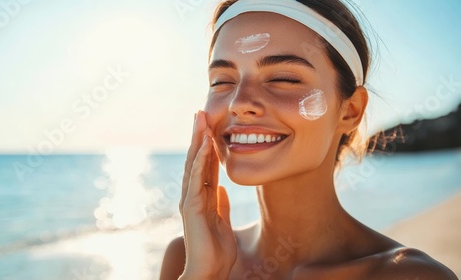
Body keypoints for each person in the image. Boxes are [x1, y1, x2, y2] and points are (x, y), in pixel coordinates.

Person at [160, 0, 458, 279]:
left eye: (284, 79)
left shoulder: (408, 275)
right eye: (221, 81)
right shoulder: (186, 258)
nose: (239, 102)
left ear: (350, 111)